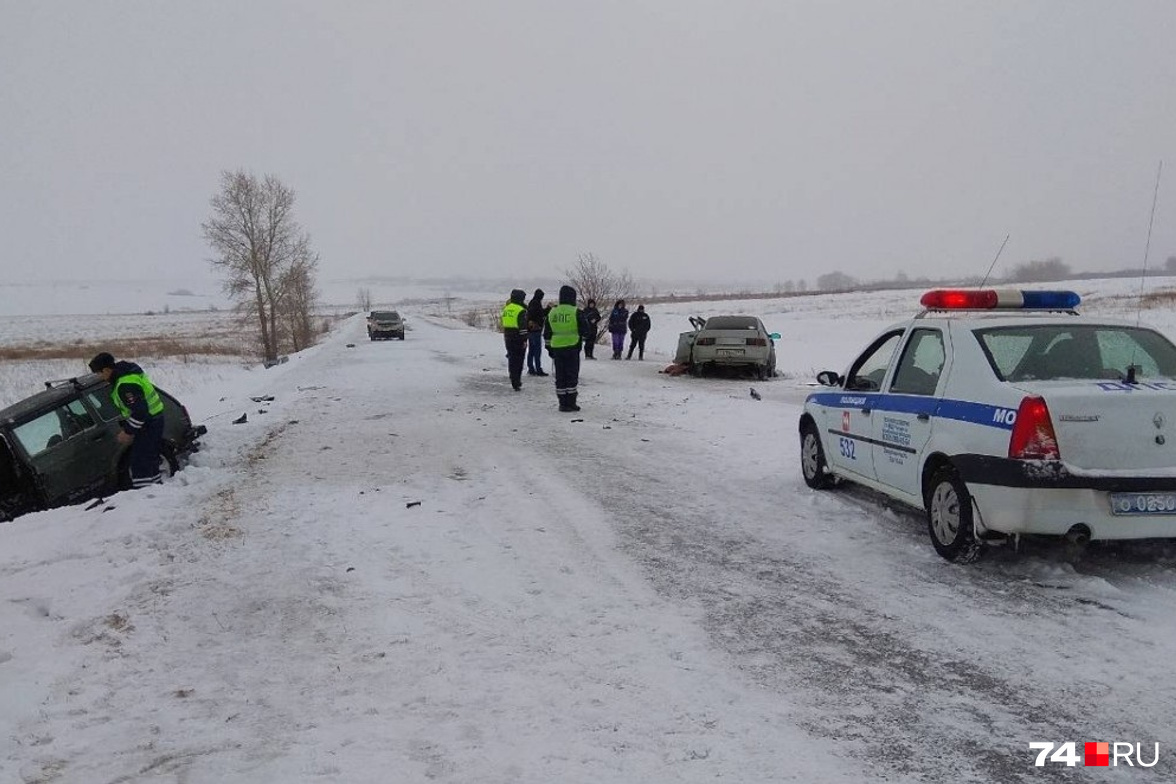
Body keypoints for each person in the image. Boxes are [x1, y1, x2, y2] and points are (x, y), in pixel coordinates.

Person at [87, 351, 165, 488]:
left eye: (99, 373)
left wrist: (127, 432)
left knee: (140, 461)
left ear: (106, 370)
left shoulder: (124, 385)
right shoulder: (126, 373)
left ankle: (146, 494)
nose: (100, 377)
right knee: (149, 458)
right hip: (154, 420)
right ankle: (156, 488)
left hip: (149, 423)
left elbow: (140, 412)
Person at [544, 285, 583, 412]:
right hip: (572, 347)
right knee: (571, 376)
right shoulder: (576, 312)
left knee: (560, 377)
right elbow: (586, 331)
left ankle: (562, 403)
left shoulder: (552, 312)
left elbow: (547, 333)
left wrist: (549, 348)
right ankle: (571, 403)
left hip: (557, 349)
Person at [501, 289, 528, 391]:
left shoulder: (506, 308)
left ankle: (513, 378)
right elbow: (523, 327)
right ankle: (517, 381)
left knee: (511, 359)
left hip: (508, 336)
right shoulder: (521, 310)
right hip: (518, 337)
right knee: (519, 360)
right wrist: (525, 340)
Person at [525, 288, 548, 376]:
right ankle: (538, 369)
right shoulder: (536, 303)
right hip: (536, 330)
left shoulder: (532, 302)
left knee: (531, 350)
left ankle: (531, 368)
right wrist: (548, 309)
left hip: (530, 330)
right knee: (537, 351)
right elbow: (540, 314)